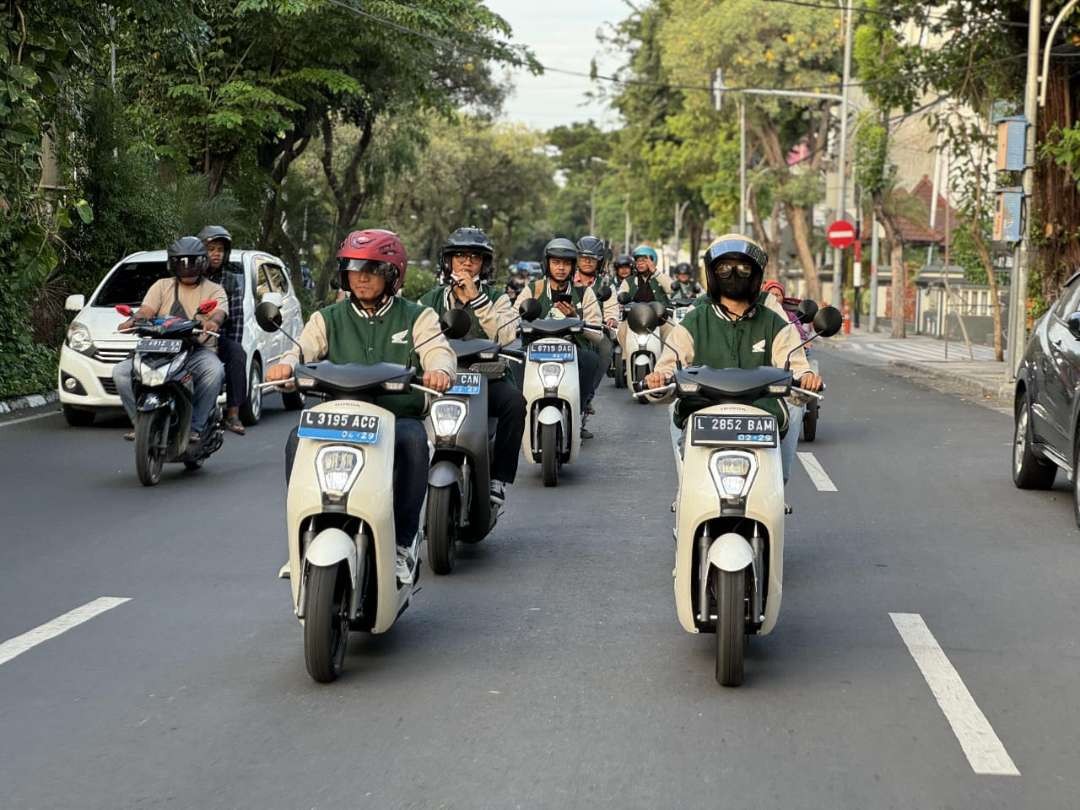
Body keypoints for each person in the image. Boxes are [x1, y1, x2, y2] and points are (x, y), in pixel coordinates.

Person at [266, 229, 455, 583]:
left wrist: (440, 370)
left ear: (393, 274)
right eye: (354, 269)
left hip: (396, 418)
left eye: (373, 269)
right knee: (295, 440)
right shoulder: (328, 317)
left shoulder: (418, 316)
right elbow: (300, 350)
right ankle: (301, 542)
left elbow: (437, 350)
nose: (362, 278)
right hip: (338, 419)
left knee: (414, 442)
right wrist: (285, 366)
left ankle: (402, 544)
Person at [643, 234, 823, 484]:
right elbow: (669, 365)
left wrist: (807, 380)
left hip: (762, 416)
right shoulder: (695, 319)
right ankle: (685, 489)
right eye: (725, 268)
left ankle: (778, 484)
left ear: (757, 274)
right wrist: (657, 379)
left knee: (793, 408)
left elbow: (796, 364)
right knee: (675, 405)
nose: (734, 274)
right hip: (703, 413)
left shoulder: (774, 321)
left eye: (744, 268)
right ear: (713, 274)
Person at [418, 227, 526, 506]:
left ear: (484, 264)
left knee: (515, 403)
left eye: (474, 258)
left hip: (486, 377)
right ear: (448, 261)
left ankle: (498, 478)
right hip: (440, 379)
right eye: (460, 256)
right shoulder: (430, 300)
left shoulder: (498, 297)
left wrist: (477, 300)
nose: (466, 263)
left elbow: (505, 335)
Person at [114, 237, 227, 445]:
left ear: (203, 263)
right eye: (181, 262)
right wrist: (134, 320)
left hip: (195, 350)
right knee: (120, 372)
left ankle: (196, 427)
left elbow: (219, 312)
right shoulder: (161, 286)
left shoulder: (214, 289)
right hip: (158, 349)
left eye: (193, 261)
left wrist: (213, 323)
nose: (187, 267)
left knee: (215, 371)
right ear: (172, 263)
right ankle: (139, 423)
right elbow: (147, 310)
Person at [514, 237, 604, 438]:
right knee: (515, 359)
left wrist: (575, 318)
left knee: (591, 360)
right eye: (556, 262)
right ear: (547, 264)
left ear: (573, 266)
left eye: (566, 263)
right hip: (536, 349)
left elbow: (598, 334)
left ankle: (578, 409)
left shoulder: (584, 293)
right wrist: (521, 322)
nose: (561, 268)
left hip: (570, 350)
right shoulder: (533, 289)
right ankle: (522, 408)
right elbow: (513, 318)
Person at [198, 225, 248, 435]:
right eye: (211, 249)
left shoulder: (230, 281)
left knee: (237, 353)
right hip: (190, 335)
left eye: (220, 249)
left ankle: (233, 413)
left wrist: (224, 346)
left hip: (220, 336)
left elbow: (236, 318)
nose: (216, 254)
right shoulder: (190, 274)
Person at [574, 235, 618, 413]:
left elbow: (612, 308)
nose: (587, 262)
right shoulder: (566, 281)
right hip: (566, 332)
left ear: (599, 262)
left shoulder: (605, 285)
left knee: (606, 349)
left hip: (594, 332)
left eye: (592, 259)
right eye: (583, 258)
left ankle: (587, 396)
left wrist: (611, 319)